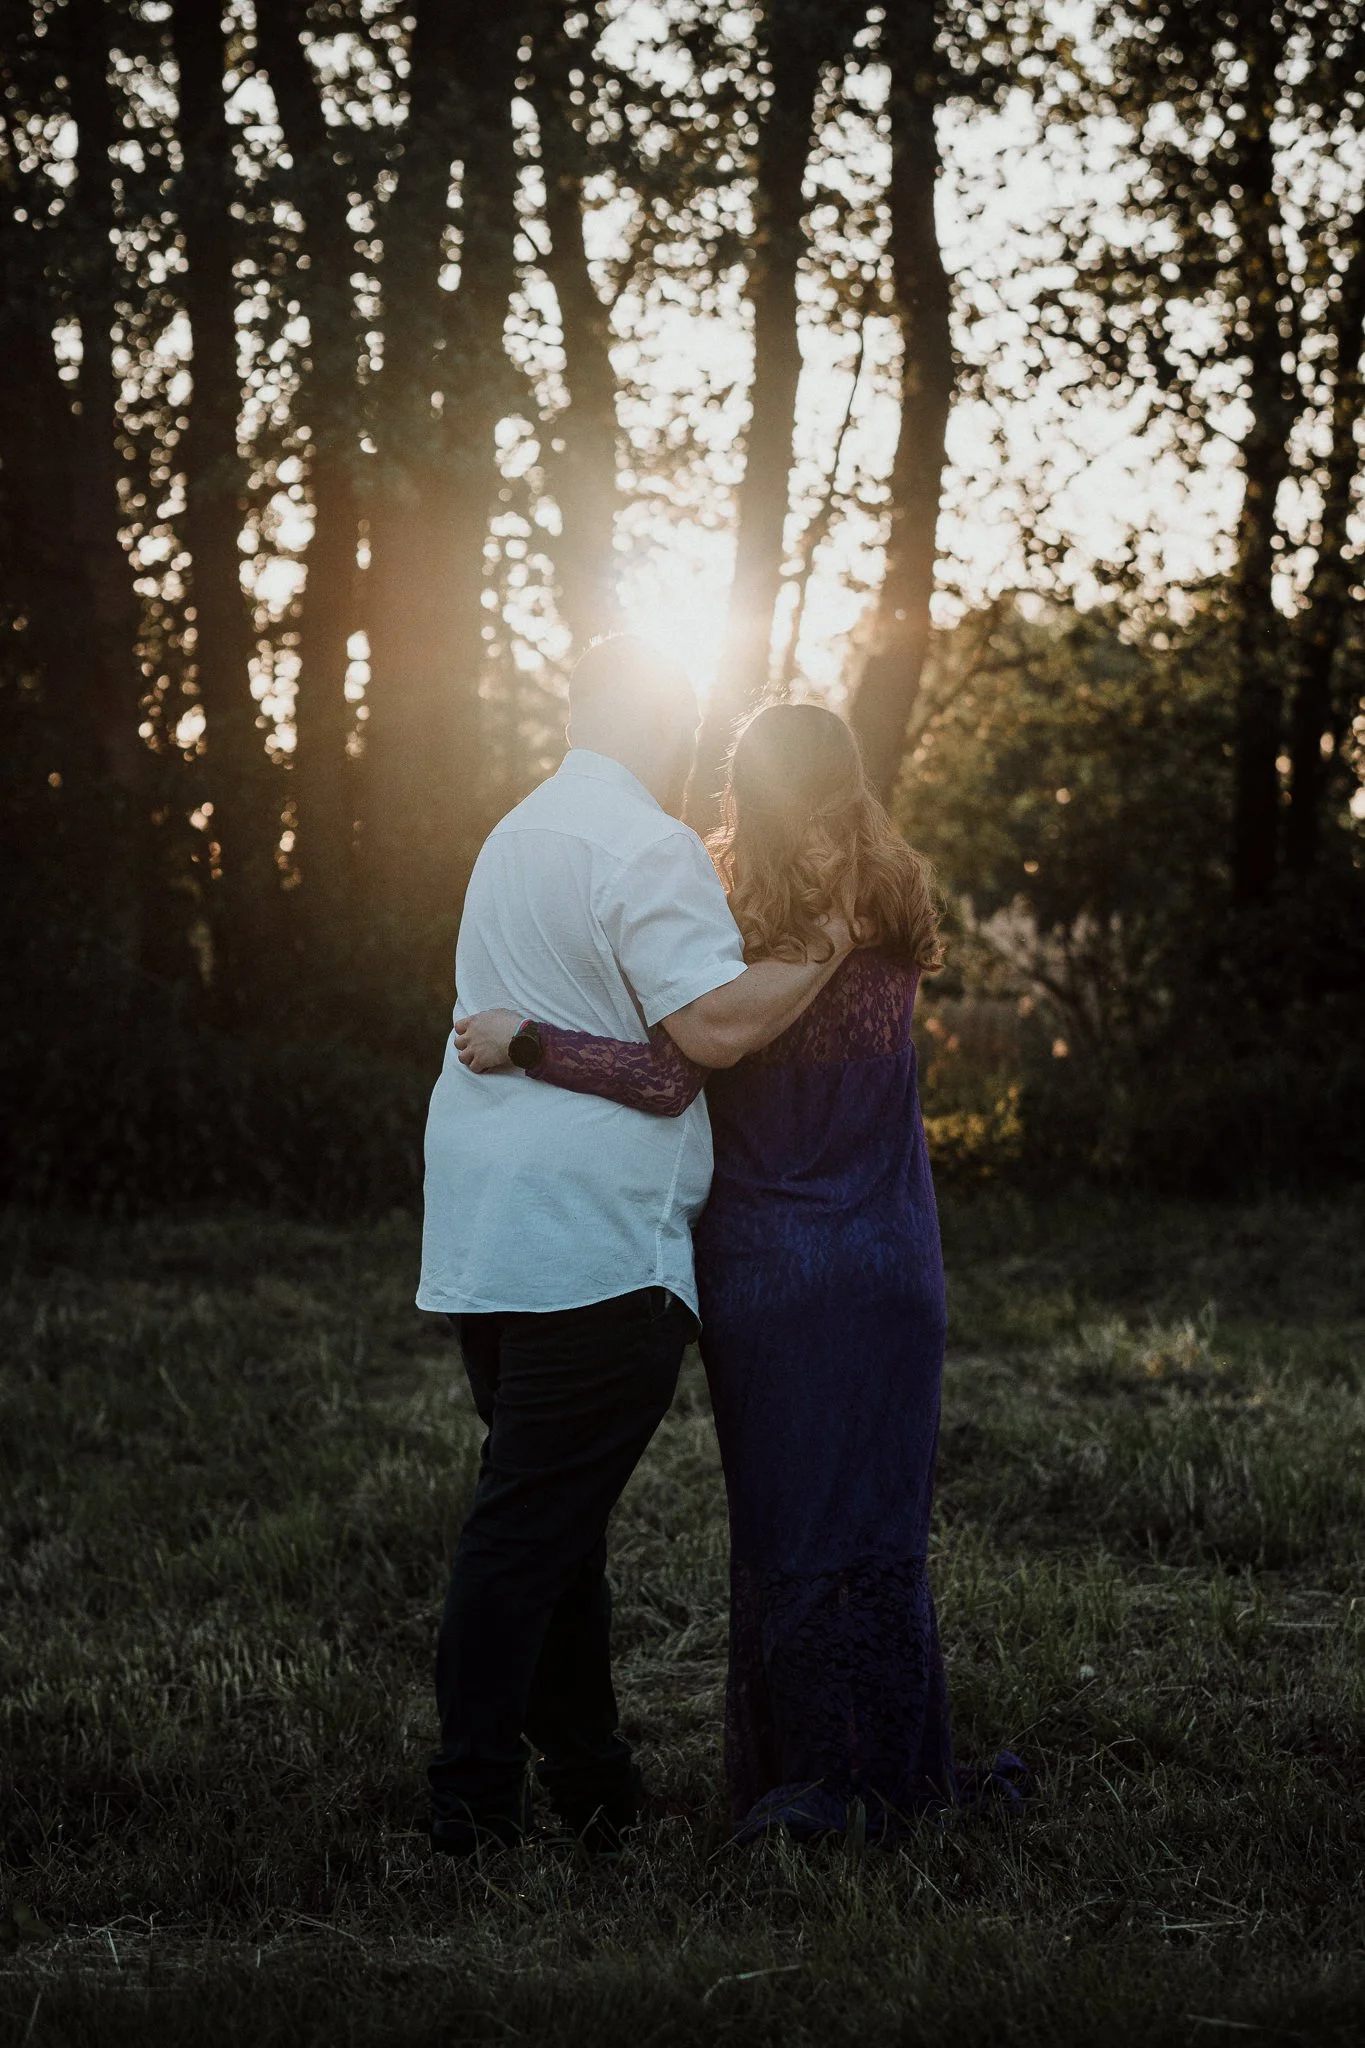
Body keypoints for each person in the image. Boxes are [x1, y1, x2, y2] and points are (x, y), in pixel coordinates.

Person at [457, 701, 1025, 1842]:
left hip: (766, 1265)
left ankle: (813, 1776)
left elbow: (674, 1073)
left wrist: (527, 1040)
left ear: (738, 788)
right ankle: (893, 1773)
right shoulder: (892, 892)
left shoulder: (727, 906)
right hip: (888, 1257)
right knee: (879, 1521)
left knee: (784, 1528)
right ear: (852, 777)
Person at [416, 640, 852, 1858]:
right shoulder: (647, 845)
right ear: (673, 721)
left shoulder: (514, 834)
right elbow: (703, 1037)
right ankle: (472, 1807)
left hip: (490, 1231)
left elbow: (591, 1036)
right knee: (524, 1532)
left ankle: (595, 1784)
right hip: (593, 1244)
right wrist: (820, 945)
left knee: (551, 1526)